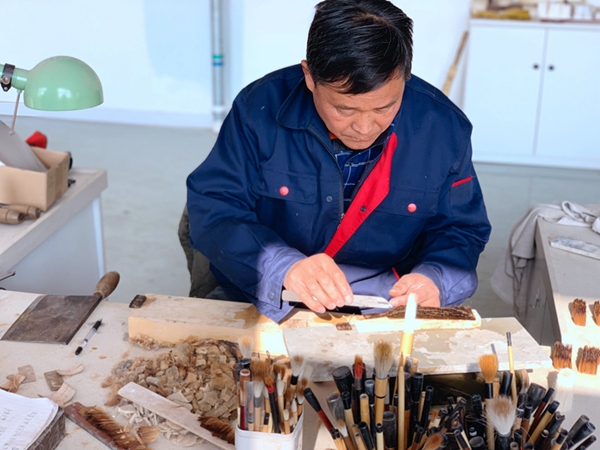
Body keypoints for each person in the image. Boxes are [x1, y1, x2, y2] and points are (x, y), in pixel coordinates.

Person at [184, 0, 491, 322]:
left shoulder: (443, 129)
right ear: (310, 77)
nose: (364, 128)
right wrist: (280, 265)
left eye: (385, 108)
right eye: (344, 110)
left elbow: (461, 229)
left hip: (381, 304)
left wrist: (437, 278)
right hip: (267, 292)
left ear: (405, 77)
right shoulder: (257, 110)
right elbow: (214, 207)